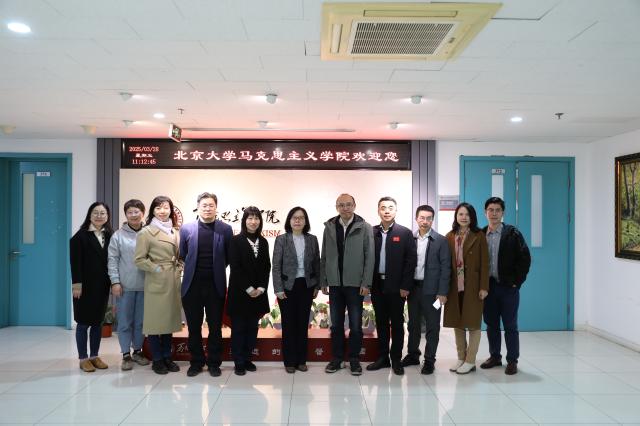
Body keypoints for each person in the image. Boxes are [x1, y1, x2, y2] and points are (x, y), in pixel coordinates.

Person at [179, 192, 233, 377]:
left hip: (215, 285)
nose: (208, 208)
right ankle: (196, 362)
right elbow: (183, 254)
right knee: (194, 327)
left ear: (216, 207)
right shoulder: (186, 229)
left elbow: (227, 257)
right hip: (192, 286)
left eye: (211, 205)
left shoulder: (225, 229)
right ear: (198, 207)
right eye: (204, 205)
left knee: (215, 327)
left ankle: (214, 363)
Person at [320, 193, 374, 376]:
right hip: (335, 284)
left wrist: (366, 282)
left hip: (355, 284)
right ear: (337, 207)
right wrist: (323, 280)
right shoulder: (329, 227)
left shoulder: (364, 227)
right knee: (336, 325)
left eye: (348, 204)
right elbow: (324, 255)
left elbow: (369, 257)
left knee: (356, 325)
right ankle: (337, 359)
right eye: (341, 205)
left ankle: (354, 359)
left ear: (354, 205)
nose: (345, 208)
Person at [480, 197, 531, 375]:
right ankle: (495, 356)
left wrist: (517, 281)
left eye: (497, 210)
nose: (494, 213)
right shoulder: (481, 234)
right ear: (485, 212)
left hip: (508, 287)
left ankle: (512, 360)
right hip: (488, 288)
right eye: (490, 210)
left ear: (503, 213)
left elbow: (525, 258)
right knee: (491, 324)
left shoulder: (512, 233)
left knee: (510, 325)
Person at [366, 197, 416, 375]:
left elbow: (411, 261)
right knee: (380, 322)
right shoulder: (371, 232)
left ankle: (396, 359)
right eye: (383, 208)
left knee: (396, 323)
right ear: (378, 210)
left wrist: (405, 285)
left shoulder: (405, 233)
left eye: (390, 207)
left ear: (395, 210)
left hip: (397, 287)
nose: (386, 211)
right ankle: (382, 358)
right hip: (377, 284)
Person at [134, 195, 182, 375]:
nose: (163, 211)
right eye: (158, 208)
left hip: (173, 279)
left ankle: (167, 357)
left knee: (168, 322)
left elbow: (178, 254)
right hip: (156, 280)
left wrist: (179, 266)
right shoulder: (146, 232)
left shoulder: (175, 231)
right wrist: (156, 269)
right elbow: (139, 259)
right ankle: (157, 359)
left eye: (166, 207)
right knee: (155, 323)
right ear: (152, 211)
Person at [402, 204, 451, 374]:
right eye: (422, 218)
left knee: (432, 326)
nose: (425, 221)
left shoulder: (441, 241)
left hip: (433, 292)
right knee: (413, 325)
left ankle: (429, 360)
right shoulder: (410, 238)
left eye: (428, 218)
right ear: (416, 219)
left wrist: (442, 292)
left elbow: (446, 268)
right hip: (414, 289)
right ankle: (413, 355)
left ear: (432, 220)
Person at [272, 207, 321, 374]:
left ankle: (301, 360)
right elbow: (276, 266)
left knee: (302, 323)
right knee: (288, 324)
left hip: (306, 286)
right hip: (287, 287)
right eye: (294, 217)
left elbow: (317, 263)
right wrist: (278, 288)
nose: (298, 220)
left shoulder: (312, 239)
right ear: (289, 220)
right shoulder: (282, 239)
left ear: (305, 221)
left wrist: (317, 285)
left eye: (301, 218)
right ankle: (289, 361)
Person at [443, 202, 489, 374]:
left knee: (473, 324)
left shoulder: (479, 235)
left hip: (473, 286)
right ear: (456, 216)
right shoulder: (449, 236)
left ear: (472, 217)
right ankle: (461, 358)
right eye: (461, 214)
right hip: (454, 287)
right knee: (457, 323)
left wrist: (484, 287)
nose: (464, 217)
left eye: (467, 214)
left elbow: (485, 263)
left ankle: (470, 361)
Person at [227, 206, 271, 376]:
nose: (253, 221)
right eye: (250, 218)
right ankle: (238, 361)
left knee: (253, 328)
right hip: (240, 293)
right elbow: (235, 267)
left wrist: (261, 288)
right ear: (244, 221)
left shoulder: (264, 241)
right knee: (239, 328)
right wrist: (249, 288)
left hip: (258, 294)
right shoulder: (235, 241)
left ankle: (247, 358)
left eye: (256, 218)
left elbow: (266, 267)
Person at [70, 202, 113, 372]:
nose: (99, 216)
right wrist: (76, 285)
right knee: (83, 323)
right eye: (96, 213)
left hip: (102, 286)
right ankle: (83, 358)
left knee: (97, 322)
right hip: (84, 287)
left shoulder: (110, 235)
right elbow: (75, 263)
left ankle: (94, 356)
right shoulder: (80, 237)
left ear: (107, 216)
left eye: (103, 213)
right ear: (89, 215)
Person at [107, 199, 150, 371]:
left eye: (136, 212)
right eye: (130, 212)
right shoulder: (118, 236)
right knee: (125, 322)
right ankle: (126, 354)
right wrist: (115, 282)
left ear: (143, 213)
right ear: (125, 214)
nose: (133, 215)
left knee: (141, 322)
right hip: (125, 286)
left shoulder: (148, 233)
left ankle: (137, 351)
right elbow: (112, 260)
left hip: (146, 286)